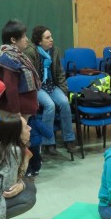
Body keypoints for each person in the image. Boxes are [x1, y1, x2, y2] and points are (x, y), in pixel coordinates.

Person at [24, 25, 77, 155]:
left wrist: (63, 90)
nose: (51, 40)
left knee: (64, 102)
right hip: (38, 87)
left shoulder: (54, 51)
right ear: (39, 41)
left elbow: (59, 73)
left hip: (52, 85)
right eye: (47, 38)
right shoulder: (31, 52)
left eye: (51, 37)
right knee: (50, 105)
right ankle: (49, 142)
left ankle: (69, 139)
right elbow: (28, 77)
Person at [0, 19, 41, 121]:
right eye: (23, 37)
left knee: (20, 136)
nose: (27, 39)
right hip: (14, 112)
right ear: (13, 40)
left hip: (20, 110)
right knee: (15, 137)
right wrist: (16, 113)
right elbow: (11, 88)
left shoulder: (16, 55)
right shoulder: (8, 58)